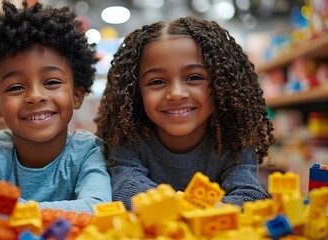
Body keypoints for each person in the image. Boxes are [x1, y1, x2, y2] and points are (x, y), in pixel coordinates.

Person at [0, 1, 111, 213]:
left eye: (51, 82)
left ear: (76, 96)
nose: (35, 96)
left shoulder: (88, 151)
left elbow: (97, 207)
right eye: (15, 87)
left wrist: (2, 206)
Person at [94, 16, 275, 210]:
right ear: (135, 93)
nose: (176, 94)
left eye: (194, 77)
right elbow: (126, 189)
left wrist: (193, 209)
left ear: (222, 85)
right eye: (157, 81)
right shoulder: (128, 138)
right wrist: (190, 206)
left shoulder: (235, 138)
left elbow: (251, 195)